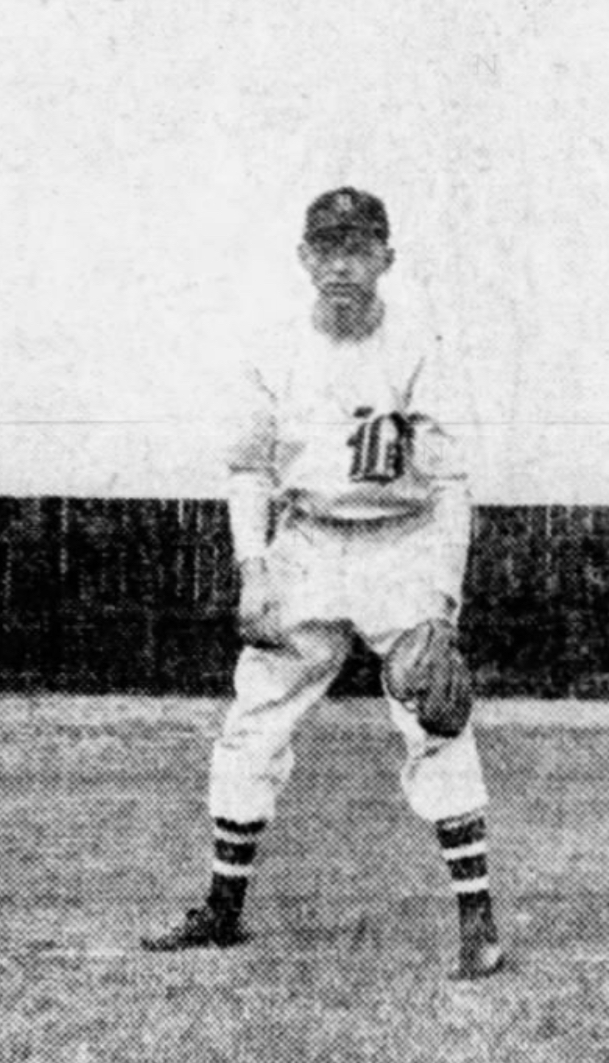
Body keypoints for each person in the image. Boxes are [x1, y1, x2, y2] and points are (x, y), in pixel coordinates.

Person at [142, 188, 504, 979]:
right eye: (327, 247)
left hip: (399, 544)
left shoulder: (418, 347)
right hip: (306, 542)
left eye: (359, 247)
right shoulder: (273, 348)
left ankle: (477, 917)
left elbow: (449, 484)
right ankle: (223, 907)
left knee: (434, 720)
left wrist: (443, 602)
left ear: (386, 259)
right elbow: (247, 470)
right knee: (253, 719)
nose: (342, 263)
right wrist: (253, 568)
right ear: (304, 258)